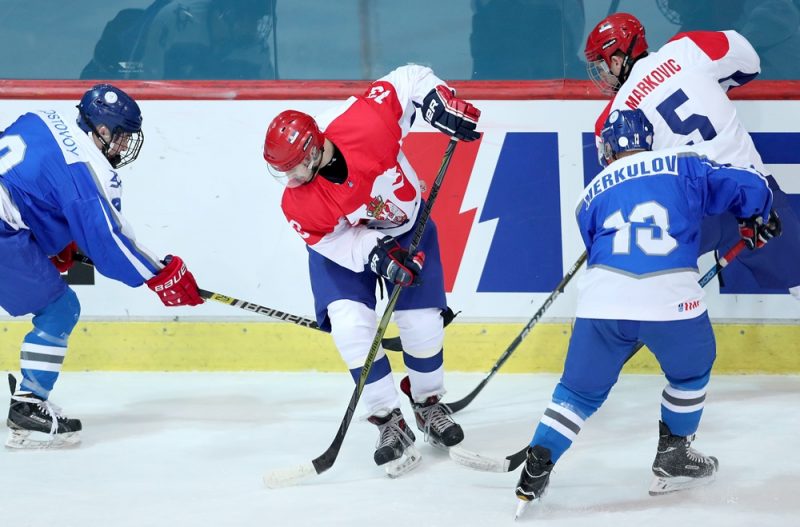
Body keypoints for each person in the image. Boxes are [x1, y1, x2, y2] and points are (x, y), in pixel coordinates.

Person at [513, 109, 779, 517]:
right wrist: (757, 214)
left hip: (602, 302)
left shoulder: (591, 193)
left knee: (577, 394)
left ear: (606, 148)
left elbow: (600, 240)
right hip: (672, 300)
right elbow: (747, 185)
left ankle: (536, 467)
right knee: (691, 371)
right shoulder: (684, 162)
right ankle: (673, 456)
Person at [262, 64, 481, 477]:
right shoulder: (298, 201)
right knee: (350, 326)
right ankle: (388, 421)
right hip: (343, 247)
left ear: (312, 151)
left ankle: (428, 404)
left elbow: (410, 78)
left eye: (293, 166)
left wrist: (437, 99)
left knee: (422, 325)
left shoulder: (363, 121)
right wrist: (373, 253)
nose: (288, 177)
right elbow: (329, 240)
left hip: (405, 224)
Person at [0, 84, 204, 449]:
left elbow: (30, 184)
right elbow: (109, 245)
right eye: (122, 137)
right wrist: (160, 274)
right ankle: (28, 405)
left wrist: (53, 240)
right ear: (103, 130)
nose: (124, 147)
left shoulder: (43, 118)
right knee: (60, 309)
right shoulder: (86, 169)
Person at [584, 12, 800, 299]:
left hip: (695, 215)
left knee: (641, 292)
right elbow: (749, 62)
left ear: (616, 58)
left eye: (602, 65)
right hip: (755, 197)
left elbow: (631, 187)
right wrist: (712, 87)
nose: (603, 76)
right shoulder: (687, 47)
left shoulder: (610, 118)